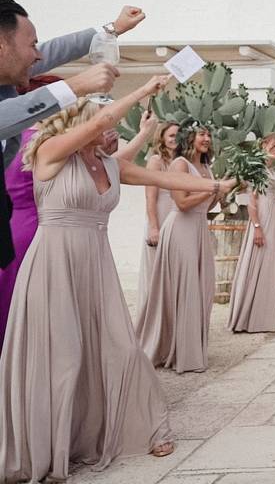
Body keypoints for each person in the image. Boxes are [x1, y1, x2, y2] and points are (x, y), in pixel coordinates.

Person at [0, 78, 237, 482]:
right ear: (82, 123)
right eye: (103, 124)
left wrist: (216, 185)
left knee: (121, 347)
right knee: (64, 356)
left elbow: (164, 181)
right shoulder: (48, 153)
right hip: (55, 264)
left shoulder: (108, 164)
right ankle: (53, 442)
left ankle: (145, 427)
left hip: (96, 265)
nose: (111, 130)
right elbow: (104, 120)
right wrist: (144, 90)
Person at [0, 78, 157, 351]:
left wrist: (135, 137)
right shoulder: (48, 144)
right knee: (53, 317)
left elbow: (113, 167)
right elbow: (113, 163)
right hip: (48, 233)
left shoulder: (19, 138)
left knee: (19, 309)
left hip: (18, 229)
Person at [1, 0, 143, 268]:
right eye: (31, 46)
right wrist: (75, 86)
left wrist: (111, 29)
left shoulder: (9, 71)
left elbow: (53, 51)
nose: (39, 56)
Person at [137, 122, 225, 373]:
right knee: (184, 287)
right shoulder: (180, 165)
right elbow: (183, 203)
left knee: (203, 288)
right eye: (201, 134)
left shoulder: (206, 167)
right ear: (190, 138)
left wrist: (215, 194)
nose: (207, 138)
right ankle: (177, 351)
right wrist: (213, 189)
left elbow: (204, 207)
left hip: (199, 229)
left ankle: (192, 346)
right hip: (180, 228)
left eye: (209, 134)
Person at [229, 133, 275, 333]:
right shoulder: (257, 167)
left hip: (272, 216)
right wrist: (257, 227)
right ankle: (253, 316)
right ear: (263, 145)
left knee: (270, 261)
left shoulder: (269, 169)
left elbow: (267, 197)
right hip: (261, 219)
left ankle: (267, 312)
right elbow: (252, 202)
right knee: (261, 258)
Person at [139, 121, 179, 315]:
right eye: (171, 135)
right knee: (157, 271)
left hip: (178, 218)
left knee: (174, 271)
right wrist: (154, 227)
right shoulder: (156, 161)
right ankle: (152, 319)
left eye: (178, 135)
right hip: (160, 216)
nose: (175, 139)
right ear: (162, 137)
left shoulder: (181, 162)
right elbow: (150, 196)